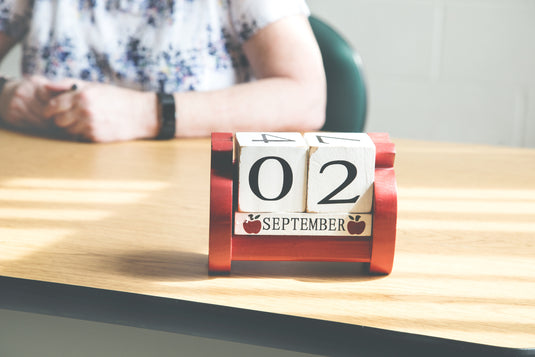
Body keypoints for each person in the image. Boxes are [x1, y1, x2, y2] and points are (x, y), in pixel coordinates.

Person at [0, 0, 326, 142]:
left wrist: (146, 113)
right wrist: (6, 95)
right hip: (48, 182)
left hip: (185, 199)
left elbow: (306, 97)